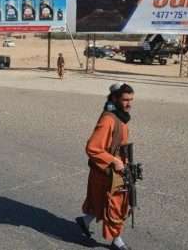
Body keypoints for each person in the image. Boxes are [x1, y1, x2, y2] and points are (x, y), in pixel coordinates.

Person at [76, 82, 134, 250]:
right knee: (116, 204)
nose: (129, 104)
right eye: (125, 100)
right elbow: (92, 147)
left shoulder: (119, 116)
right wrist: (115, 161)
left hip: (109, 169)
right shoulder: (109, 119)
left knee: (101, 200)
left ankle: (85, 221)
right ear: (115, 99)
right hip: (107, 171)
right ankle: (117, 241)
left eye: (131, 99)